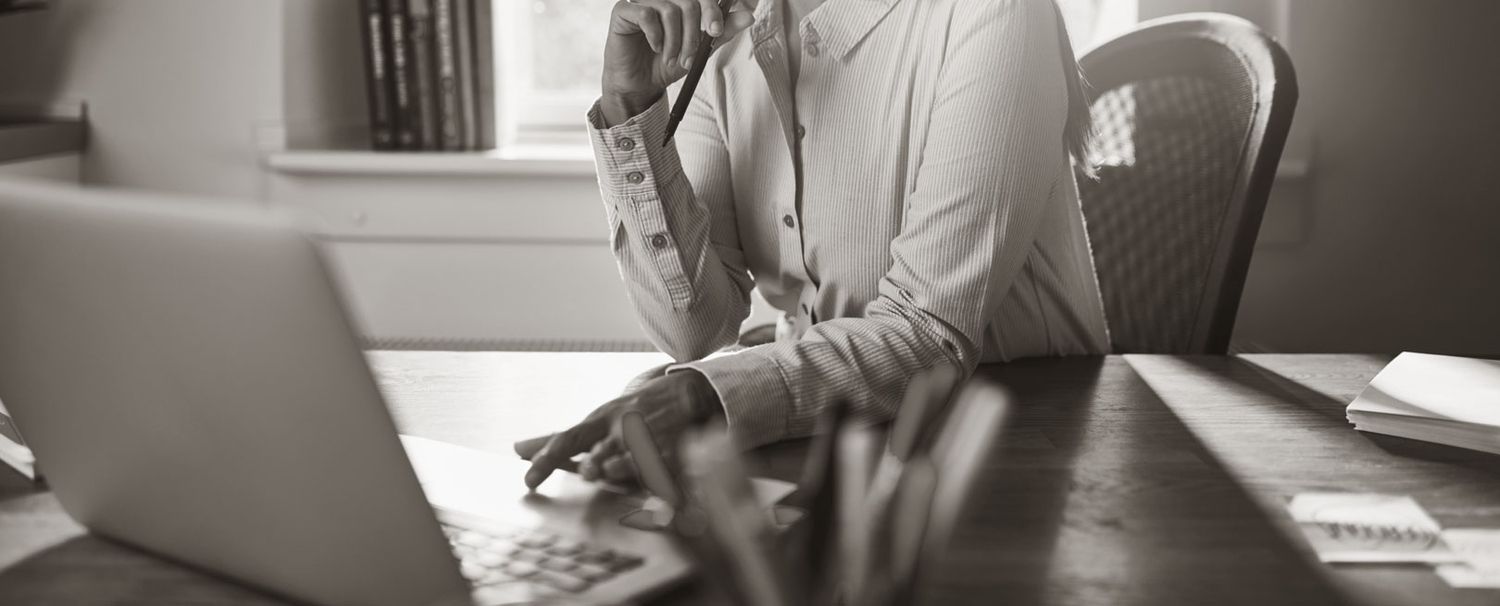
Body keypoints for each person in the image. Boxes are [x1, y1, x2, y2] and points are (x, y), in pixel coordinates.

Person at [517, 0, 1110, 489]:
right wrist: (630, 104)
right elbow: (695, 329)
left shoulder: (998, 12)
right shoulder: (724, 30)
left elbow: (927, 331)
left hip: (1018, 444)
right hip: (826, 436)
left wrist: (705, 396)